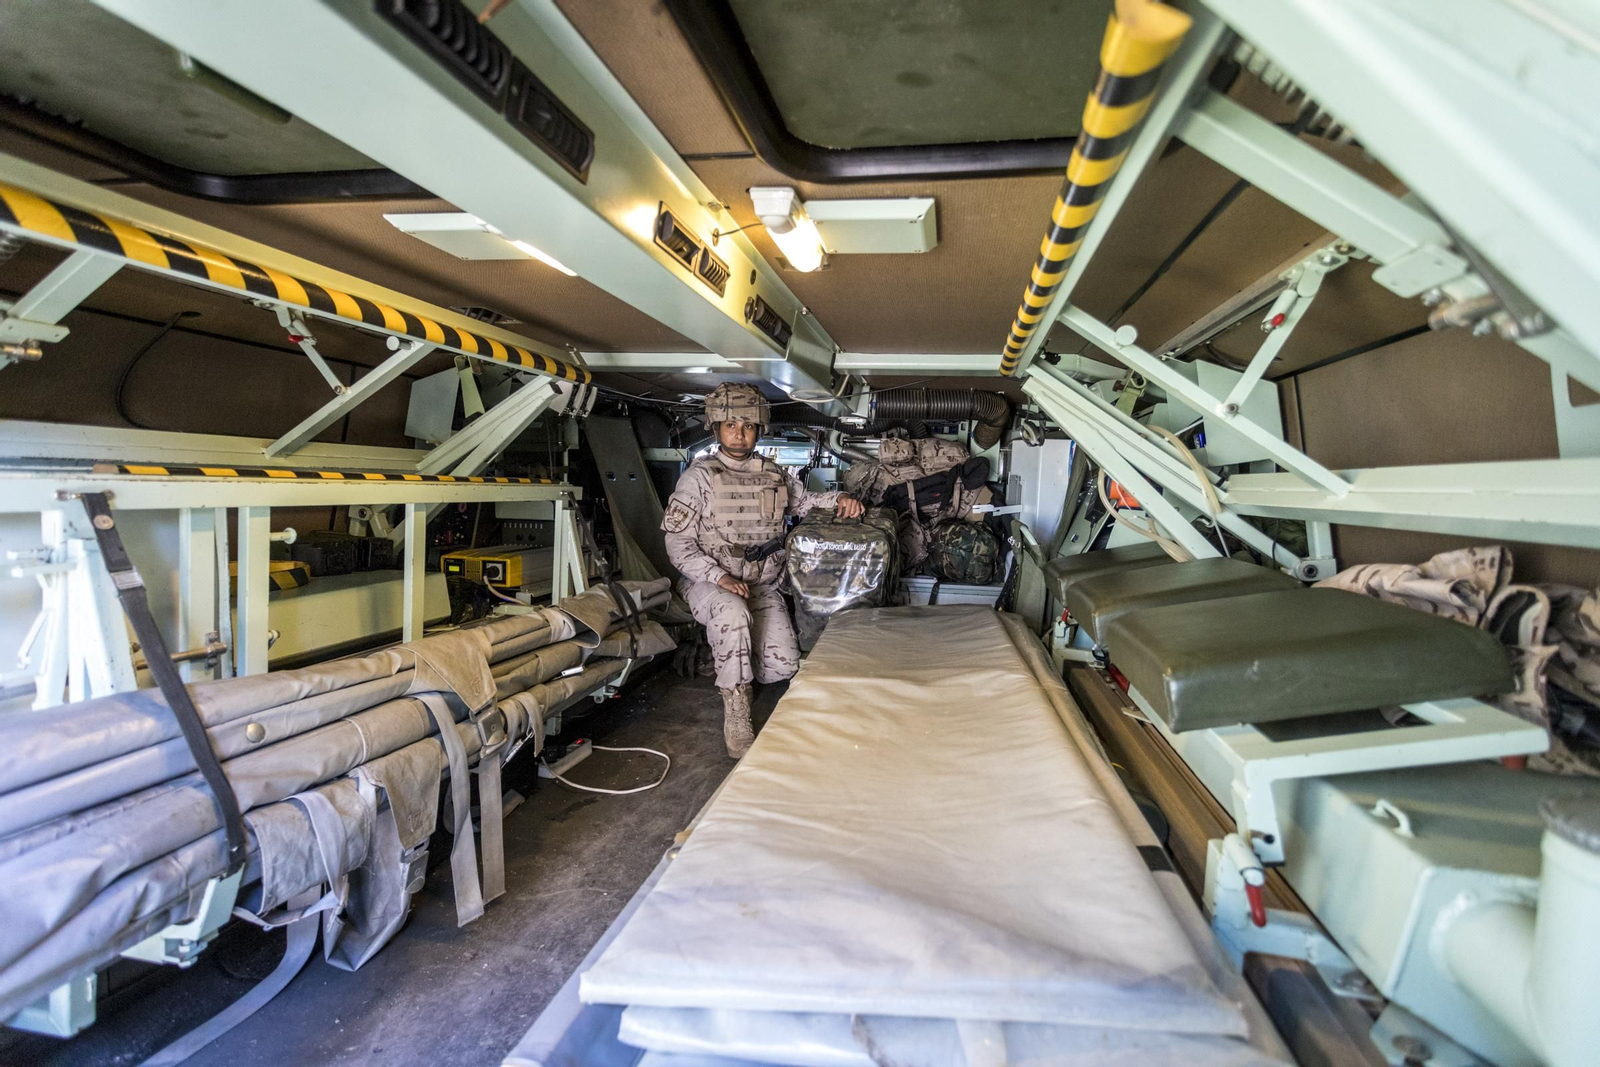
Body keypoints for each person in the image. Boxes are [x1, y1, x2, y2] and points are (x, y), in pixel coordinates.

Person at [662, 383, 864, 756]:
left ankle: (721, 655)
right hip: (711, 585)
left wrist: (841, 498)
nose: (739, 434)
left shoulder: (773, 473)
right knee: (733, 614)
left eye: (749, 426)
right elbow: (677, 544)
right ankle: (736, 711)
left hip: (761, 584)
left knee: (782, 667)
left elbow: (806, 502)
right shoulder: (699, 477)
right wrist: (718, 576)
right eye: (731, 425)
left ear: (759, 429)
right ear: (716, 427)